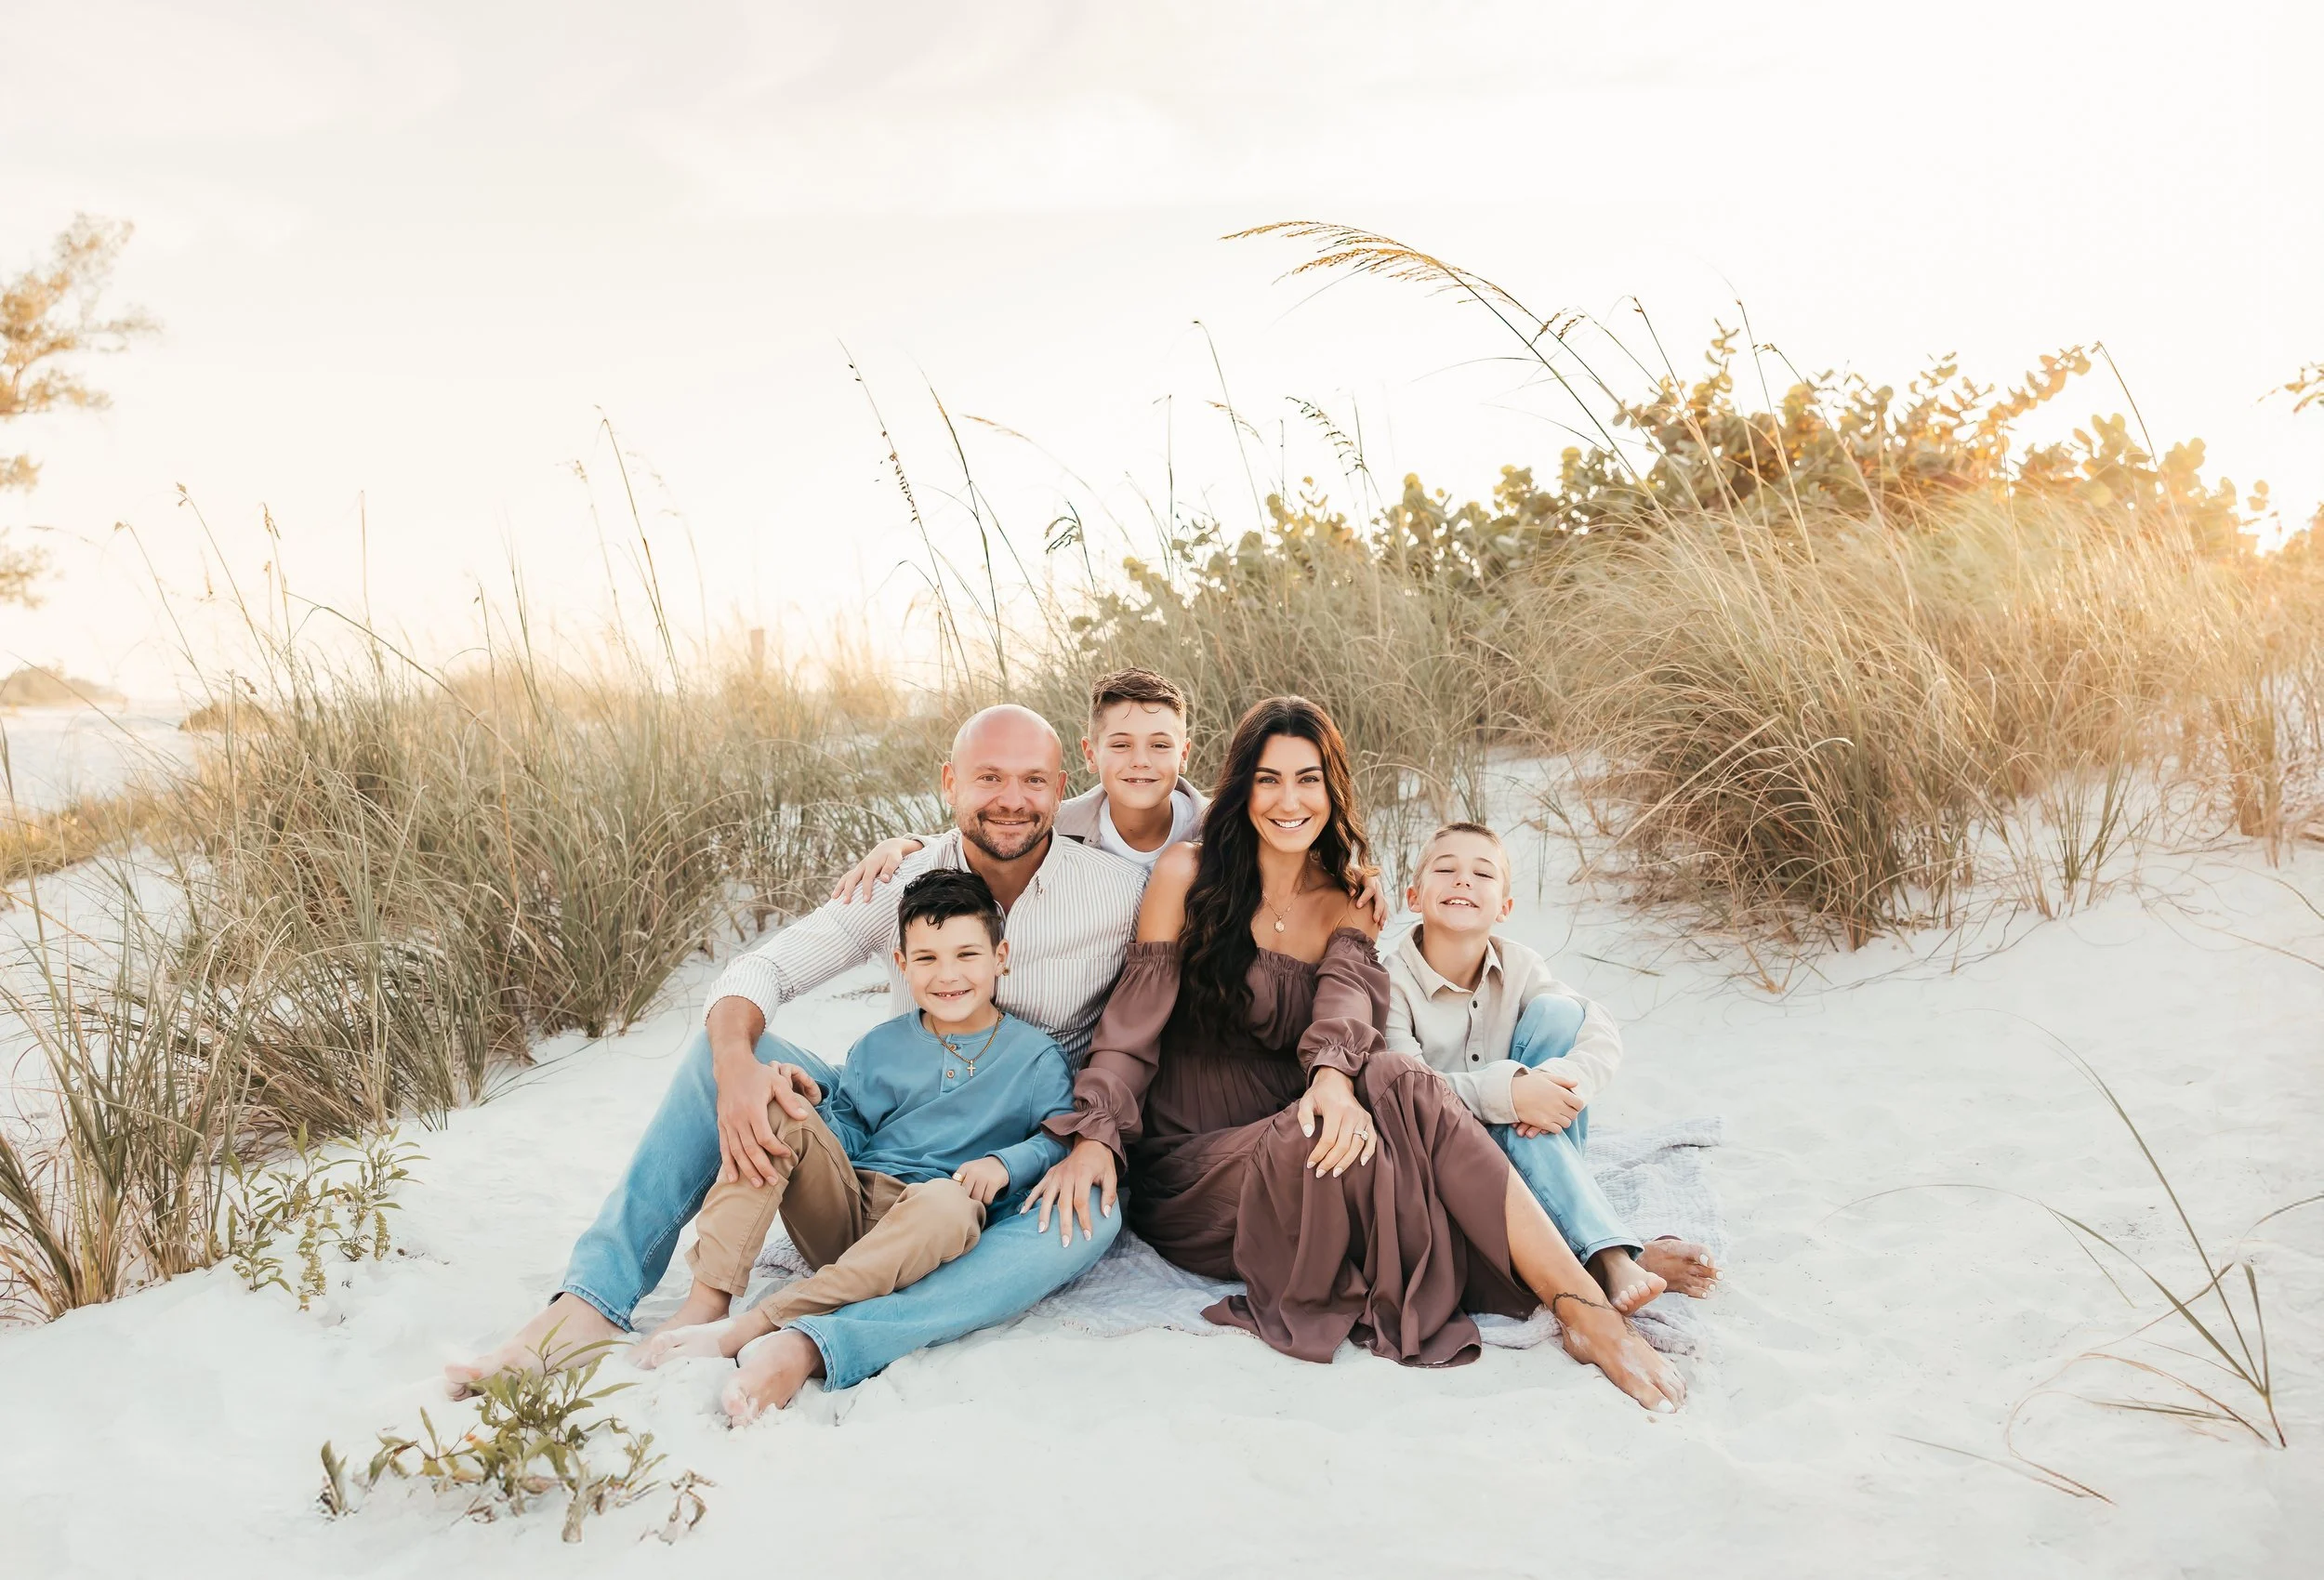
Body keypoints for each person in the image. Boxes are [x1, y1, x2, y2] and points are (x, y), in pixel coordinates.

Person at [447, 704, 1146, 1402]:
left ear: (1061, 788)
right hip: (890, 1126)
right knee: (732, 1051)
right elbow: (766, 969)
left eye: (1032, 780)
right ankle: (593, 1303)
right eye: (988, 777)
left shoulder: (1117, 892)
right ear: (949, 783)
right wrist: (738, 1072)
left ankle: (814, 1340)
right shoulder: (900, 882)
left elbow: (1163, 987)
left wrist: (1091, 1139)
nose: (1011, 800)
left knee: (1092, 1213)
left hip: (1017, 1154)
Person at [1019, 696, 1686, 1410]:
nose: (1289, 801)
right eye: (1269, 780)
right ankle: (1586, 1276)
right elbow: (1132, 1026)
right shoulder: (1186, 873)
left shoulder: (1346, 898)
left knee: (1396, 1080)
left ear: (1332, 790)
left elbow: (1344, 1009)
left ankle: (1582, 1297)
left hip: (1308, 1128)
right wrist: (1096, 1137)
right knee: (1368, 1145)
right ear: (1243, 788)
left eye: (1308, 779)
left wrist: (1333, 1081)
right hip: (1199, 1169)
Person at [633, 869, 1075, 1422]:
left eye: (967, 955)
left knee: (949, 1202)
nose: (948, 975)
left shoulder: (1035, 1057)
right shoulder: (879, 1046)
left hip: (930, 1225)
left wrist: (1004, 1163)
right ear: (902, 964)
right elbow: (846, 1132)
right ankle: (709, 1298)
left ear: (1000, 957)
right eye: (927, 959)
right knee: (774, 1106)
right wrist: (809, 1108)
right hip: (847, 1213)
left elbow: (1059, 1141)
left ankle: (759, 1322)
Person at [1384, 822, 1719, 1315]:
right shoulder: (1390, 982)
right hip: (1453, 1160)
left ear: (1505, 907)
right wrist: (1510, 1096)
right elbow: (1406, 1090)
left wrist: (1553, 1091)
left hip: (1537, 1137)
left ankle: (1594, 1242)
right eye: (1445, 869)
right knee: (1514, 1119)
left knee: (1559, 1014)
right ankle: (1614, 1255)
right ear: (1414, 896)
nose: (1463, 880)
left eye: (1483, 873)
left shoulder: (1520, 964)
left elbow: (1598, 1030)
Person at [831, 665, 1387, 909]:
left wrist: (1356, 874)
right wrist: (908, 844)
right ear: (1090, 752)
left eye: (1160, 745)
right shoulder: (1058, 825)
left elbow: (1294, 838)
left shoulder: (1219, 823)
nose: (1140, 763)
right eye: (1120, 745)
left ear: (1185, 753)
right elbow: (991, 830)